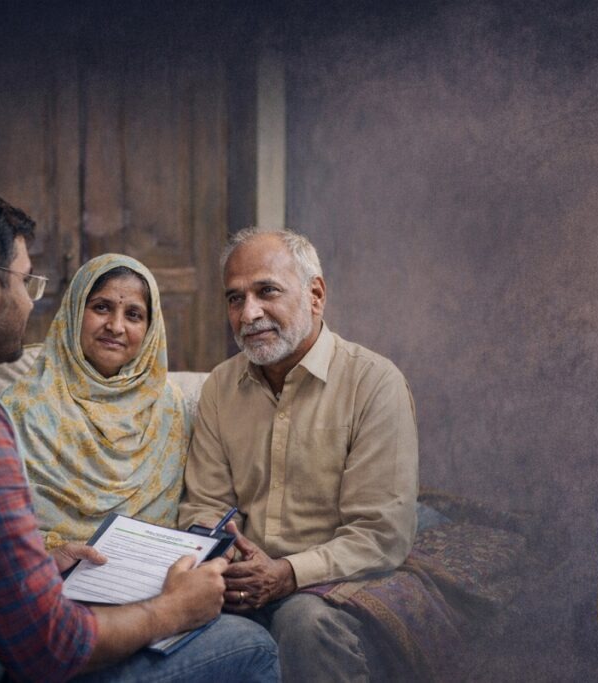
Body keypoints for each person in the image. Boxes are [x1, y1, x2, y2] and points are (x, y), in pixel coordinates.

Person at [0, 181, 278, 683]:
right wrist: (172, 610)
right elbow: (49, 646)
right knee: (251, 645)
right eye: (26, 282)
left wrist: (42, 561)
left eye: (134, 315)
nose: (30, 302)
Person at [179, 226, 420, 681]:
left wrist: (287, 573)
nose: (249, 313)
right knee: (182, 628)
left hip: (333, 584)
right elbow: (204, 505)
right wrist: (228, 565)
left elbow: (380, 533)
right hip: (243, 583)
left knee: (302, 623)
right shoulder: (220, 387)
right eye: (235, 298)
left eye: (267, 291)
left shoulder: (374, 384)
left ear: (315, 295)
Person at [3, 254, 188, 549]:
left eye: (134, 315)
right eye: (102, 308)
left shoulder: (169, 405)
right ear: (75, 310)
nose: (116, 326)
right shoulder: (22, 408)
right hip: (48, 568)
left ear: (151, 328)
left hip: (152, 566)